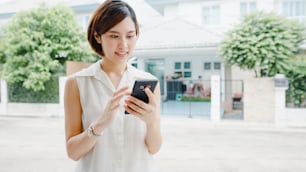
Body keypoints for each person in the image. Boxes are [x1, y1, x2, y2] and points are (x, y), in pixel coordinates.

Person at [64, 0, 162, 171]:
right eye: (114, 36)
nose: (124, 45)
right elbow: (73, 153)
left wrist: (151, 122)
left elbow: (153, 148)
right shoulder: (77, 83)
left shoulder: (148, 82)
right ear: (97, 36)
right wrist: (100, 124)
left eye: (130, 36)